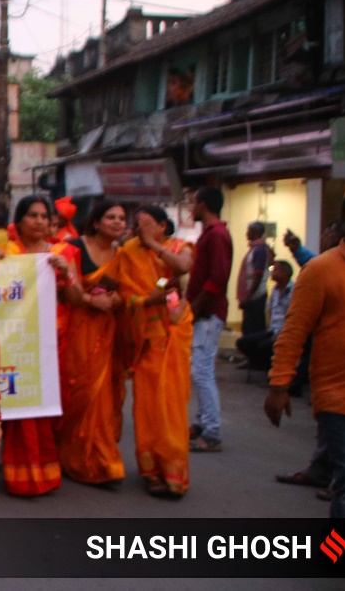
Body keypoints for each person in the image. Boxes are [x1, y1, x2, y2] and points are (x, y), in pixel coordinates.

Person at [266, 187, 345, 543]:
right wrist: (278, 386)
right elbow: (293, 333)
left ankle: (335, 552)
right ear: (344, 221)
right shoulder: (321, 270)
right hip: (339, 399)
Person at [114, 206, 195, 496]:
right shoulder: (128, 252)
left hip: (174, 334)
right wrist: (147, 301)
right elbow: (123, 295)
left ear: (162, 226)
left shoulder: (179, 247)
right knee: (148, 407)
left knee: (171, 406)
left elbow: (183, 266)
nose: (137, 229)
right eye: (136, 225)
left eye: (144, 224)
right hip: (146, 339)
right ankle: (150, 470)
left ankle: (174, 469)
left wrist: (151, 244)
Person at [0, 195, 73, 497]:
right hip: (17, 341)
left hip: (53, 341)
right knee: (18, 407)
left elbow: (76, 296)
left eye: (45, 216)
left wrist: (66, 273)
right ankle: (19, 474)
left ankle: (48, 471)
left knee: (48, 408)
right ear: (18, 221)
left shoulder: (61, 253)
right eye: (33, 215)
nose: (40, 221)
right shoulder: (6, 253)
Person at [51, 200, 127, 486]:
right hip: (76, 326)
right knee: (76, 390)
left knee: (102, 394)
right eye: (111, 216)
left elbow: (127, 289)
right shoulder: (74, 247)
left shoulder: (121, 254)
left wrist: (118, 300)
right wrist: (91, 299)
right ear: (96, 221)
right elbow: (68, 290)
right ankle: (69, 456)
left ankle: (101, 459)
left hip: (105, 328)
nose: (118, 222)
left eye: (121, 217)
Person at [186, 186, 232, 453]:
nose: (191, 208)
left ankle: (212, 430)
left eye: (193, 202)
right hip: (207, 310)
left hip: (209, 312)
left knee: (202, 371)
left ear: (203, 204)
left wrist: (197, 305)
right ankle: (203, 423)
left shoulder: (216, 235)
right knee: (201, 369)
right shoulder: (213, 234)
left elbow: (218, 277)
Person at [234, 261, 294, 374]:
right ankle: (261, 364)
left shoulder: (293, 291)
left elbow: (294, 316)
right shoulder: (275, 290)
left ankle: (271, 370)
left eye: (276, 270)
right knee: (243, 342)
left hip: (284, 332)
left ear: (285, 273)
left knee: (264, 347)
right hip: (272, 330)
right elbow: (270, 310)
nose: (272, 272)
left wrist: (283, 333)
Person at [238, 221, 273, 338]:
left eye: (248, 231)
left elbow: (258, 274)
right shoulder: (255, 249)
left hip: (256, 295)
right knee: (248, 327)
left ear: (255, 232)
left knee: (254, 329)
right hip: (252, 295)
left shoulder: (260, 250)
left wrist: (247, 296)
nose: (246, 233)